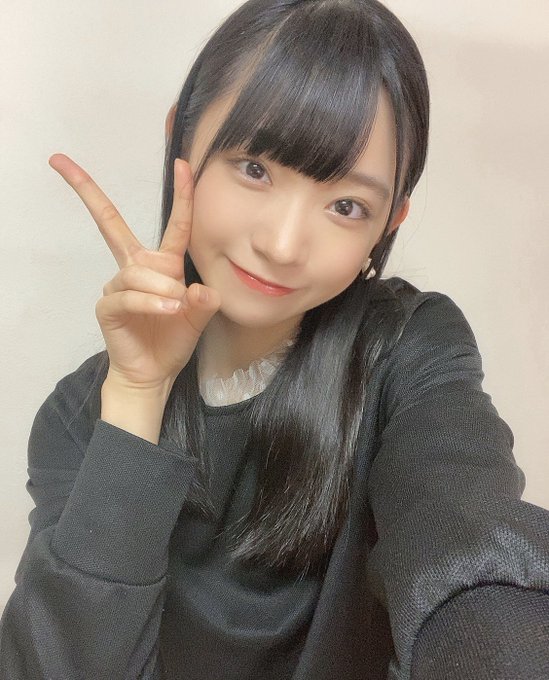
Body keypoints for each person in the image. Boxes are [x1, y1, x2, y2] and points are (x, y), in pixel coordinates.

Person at [1, 0, 548, 678]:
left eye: (346, 206)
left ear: (389, 221)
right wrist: (138, 400)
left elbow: (466, 534)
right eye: (255, 167)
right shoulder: (81, 414)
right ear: (181, 141)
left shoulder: (407, 352)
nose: (283, 245)